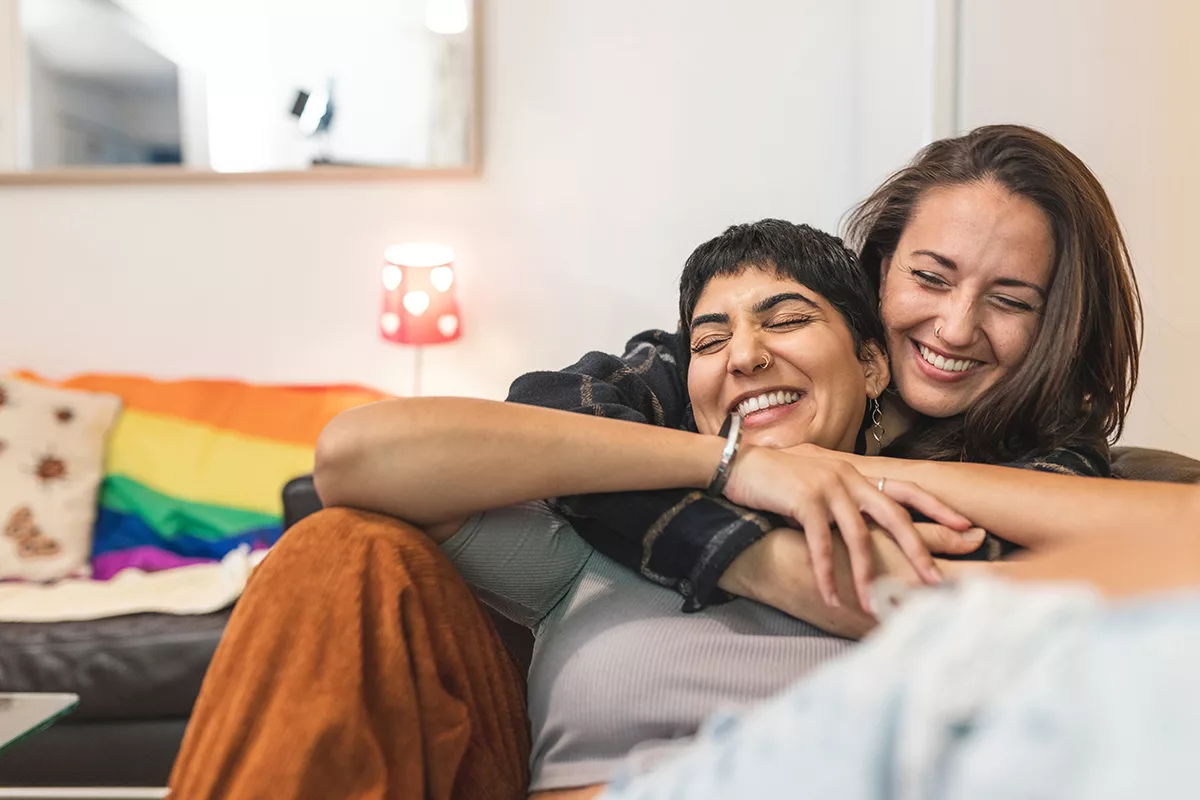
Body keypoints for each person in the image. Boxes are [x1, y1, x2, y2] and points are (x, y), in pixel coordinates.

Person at [168, 220, 984, 800]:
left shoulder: (951, 525)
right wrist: (730, 467)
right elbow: (353, 457)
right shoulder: (604, 536)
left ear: (874, 365)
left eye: (788, 320)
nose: (743, 355)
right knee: (334, 552)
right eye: (707, 341)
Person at [508, 124, 1142, 613]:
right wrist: (743, 474)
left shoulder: (1052, 453)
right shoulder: (730, 366)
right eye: (929, 278)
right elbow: (545, 418)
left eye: (1010, 301)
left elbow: (966, 567)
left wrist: (839, 473)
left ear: (1055, 324)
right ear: (882, 268)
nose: (955, 327)